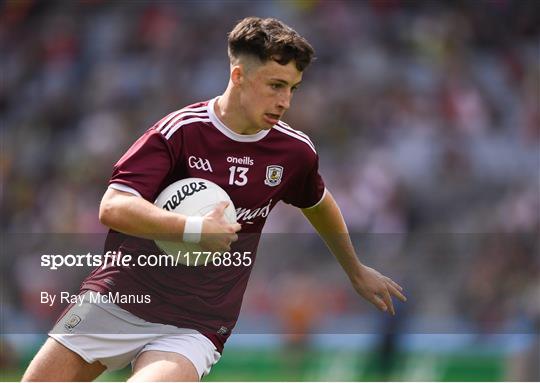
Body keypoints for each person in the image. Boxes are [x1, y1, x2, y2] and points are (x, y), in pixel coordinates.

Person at [23, 17, 406, 382]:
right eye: (275, 85)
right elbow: (113, 207)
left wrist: (355, 269)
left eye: (293, 88)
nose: (286, 100)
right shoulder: (180, 132)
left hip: (196, 322)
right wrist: (193, 230)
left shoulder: (294, 151)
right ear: (239, 76)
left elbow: (318, 202)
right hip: (119, 298)